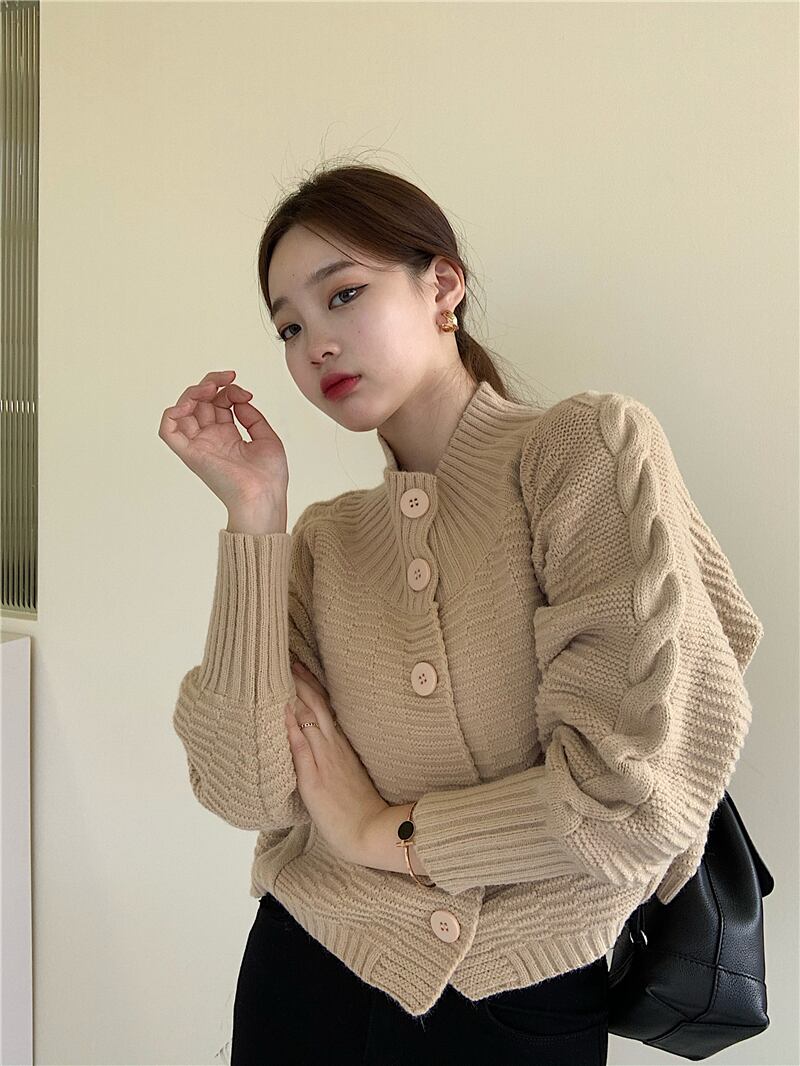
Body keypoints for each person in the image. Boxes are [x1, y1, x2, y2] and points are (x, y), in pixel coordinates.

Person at [158, 163, 764, 1066]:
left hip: (517, 996)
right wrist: (255, 514)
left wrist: (378, 832)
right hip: (307, 968)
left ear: (442, 285)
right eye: (290, 326)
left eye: (343, 294)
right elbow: (246, 790)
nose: (316, 344)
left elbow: (626, 797)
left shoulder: (583, 451)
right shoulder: (323, 541)